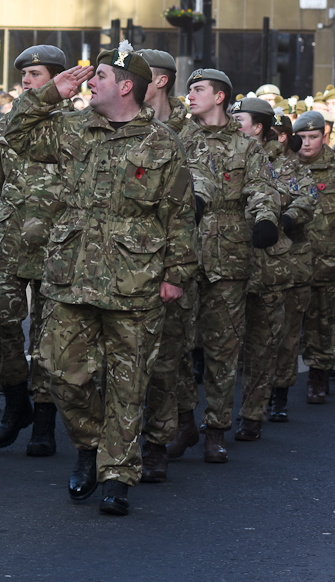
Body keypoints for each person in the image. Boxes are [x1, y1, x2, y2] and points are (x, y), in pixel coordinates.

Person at [4, 42, 197, 515]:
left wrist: (176, 274)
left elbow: (179, 215)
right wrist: (50, 92)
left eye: (100, 76)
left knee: (129, 387)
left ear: (126, 86)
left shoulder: (162, 143)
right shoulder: (73, 128)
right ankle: (90, 445)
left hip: (135, 281)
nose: (90, 82)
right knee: (59, 371)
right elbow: (16, 134)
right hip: (72, 276)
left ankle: (116, 475)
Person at [172, 69, 280, 464]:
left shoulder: (246, 147)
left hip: (229, 258)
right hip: (182, 254)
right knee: (176, 345)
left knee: (222, 350)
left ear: (220, 97)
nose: (191, 96)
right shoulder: (178, 139)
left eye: (198, 89)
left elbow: (262, 190)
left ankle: (215, 428)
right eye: (189, 89)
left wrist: (266, 219)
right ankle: (184, 419)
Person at [0, 44, 70, 456]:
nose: (26, 82)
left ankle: (44, 418)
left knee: (47, 337)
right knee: (1, 319)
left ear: (57, 79)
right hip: (10, 240)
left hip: (55, 243)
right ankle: (15, 400)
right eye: (24, 76)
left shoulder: (76, 124)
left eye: (35, 75)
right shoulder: (8, 123)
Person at [136, 49, 215, 482]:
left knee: (169, 351)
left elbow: (203, 182)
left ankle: (158, 440)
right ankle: (178, 420)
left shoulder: (193, 131)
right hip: (126, 258)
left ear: (160, 81)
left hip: (175, 254)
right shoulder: (126, 122)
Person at [229, 98, 314, 441]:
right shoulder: (229, 158)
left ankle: (253, 413)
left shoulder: (288, 168)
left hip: (270, 268)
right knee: (227, 345)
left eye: (240, 119)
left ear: (260, 128)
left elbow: (306, 199)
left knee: (265, 343)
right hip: (232, 261)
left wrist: (289, 217)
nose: (233, 123)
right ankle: (220, 415)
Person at [268, 110, 316, 419]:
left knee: (287, 334)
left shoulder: (295, 170)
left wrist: (284, 219)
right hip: (256, 261)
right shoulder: (253, 163)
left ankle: (280, 395)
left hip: (292, 261)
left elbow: (307, 203)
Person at [294, 110, 335, 404]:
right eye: (302, 137)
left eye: (313, 137)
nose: (307, 143)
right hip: (292, 262)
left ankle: (319, 374)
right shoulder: (286, 167)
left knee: (323, 322)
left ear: (325, 135)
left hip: (328, 261)